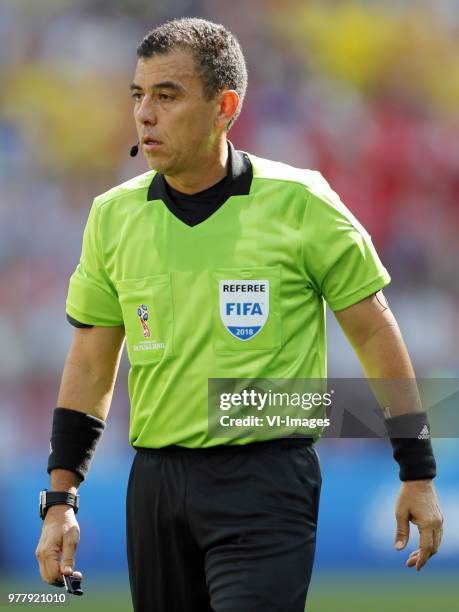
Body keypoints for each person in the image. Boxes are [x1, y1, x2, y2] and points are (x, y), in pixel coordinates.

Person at [35, 17, 443, 612]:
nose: (145, 114)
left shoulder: (301, 202)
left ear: (225, 106)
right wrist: (61, 500)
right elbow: (92, 368)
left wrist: (418, 469)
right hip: (155, 486)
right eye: (138, 96)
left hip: (266, 480)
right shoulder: (112, 217)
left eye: (167, 96)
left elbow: (375, 333)